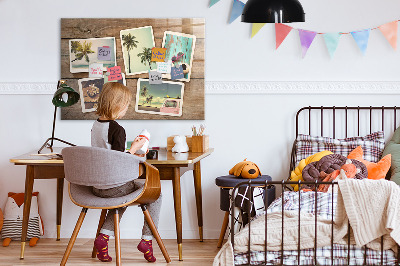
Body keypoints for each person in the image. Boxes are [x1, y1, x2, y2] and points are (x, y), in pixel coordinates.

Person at [91, 82, 161, 263]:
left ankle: (103, 238)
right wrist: (136, 148)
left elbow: (108, 154)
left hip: (97, 186)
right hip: (114, 186)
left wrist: (130, 150)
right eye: (126, 105)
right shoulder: (117, 129)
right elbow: (119, 161)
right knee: (156, 194)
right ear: (117, 105)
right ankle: (147, 240)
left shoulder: (96, 125)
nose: (126, 109)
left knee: (121, 197)